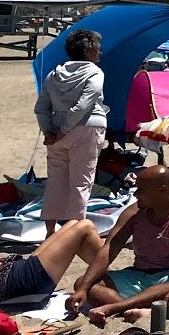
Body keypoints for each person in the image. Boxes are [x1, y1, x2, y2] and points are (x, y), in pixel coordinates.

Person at [69, 165, 169, 327]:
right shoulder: (134, 212)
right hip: (139, 274)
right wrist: (83, 288)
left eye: (141, 190)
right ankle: (139, 308)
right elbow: (109, 248)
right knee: (83, 283)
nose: (135, 194)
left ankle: (117, 307)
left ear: (162, 190)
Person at [34, 28, 109, 237]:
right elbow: (84, 104)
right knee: (81, 182)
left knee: (55, 181)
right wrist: (64, 130)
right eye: (98, 48)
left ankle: (50, 231)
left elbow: (41, 107)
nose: (100, 52)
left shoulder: (53, 74)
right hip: (86, 128)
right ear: (89, 50)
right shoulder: (94, 72)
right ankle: (74, 233)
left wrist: (49, 130)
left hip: (56, 131)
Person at [0, 219, 105, 305]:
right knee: (85, 227)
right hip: (16, 282)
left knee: (73, 224)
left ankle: (108, 276)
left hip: (12, 272)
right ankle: (112, 279)